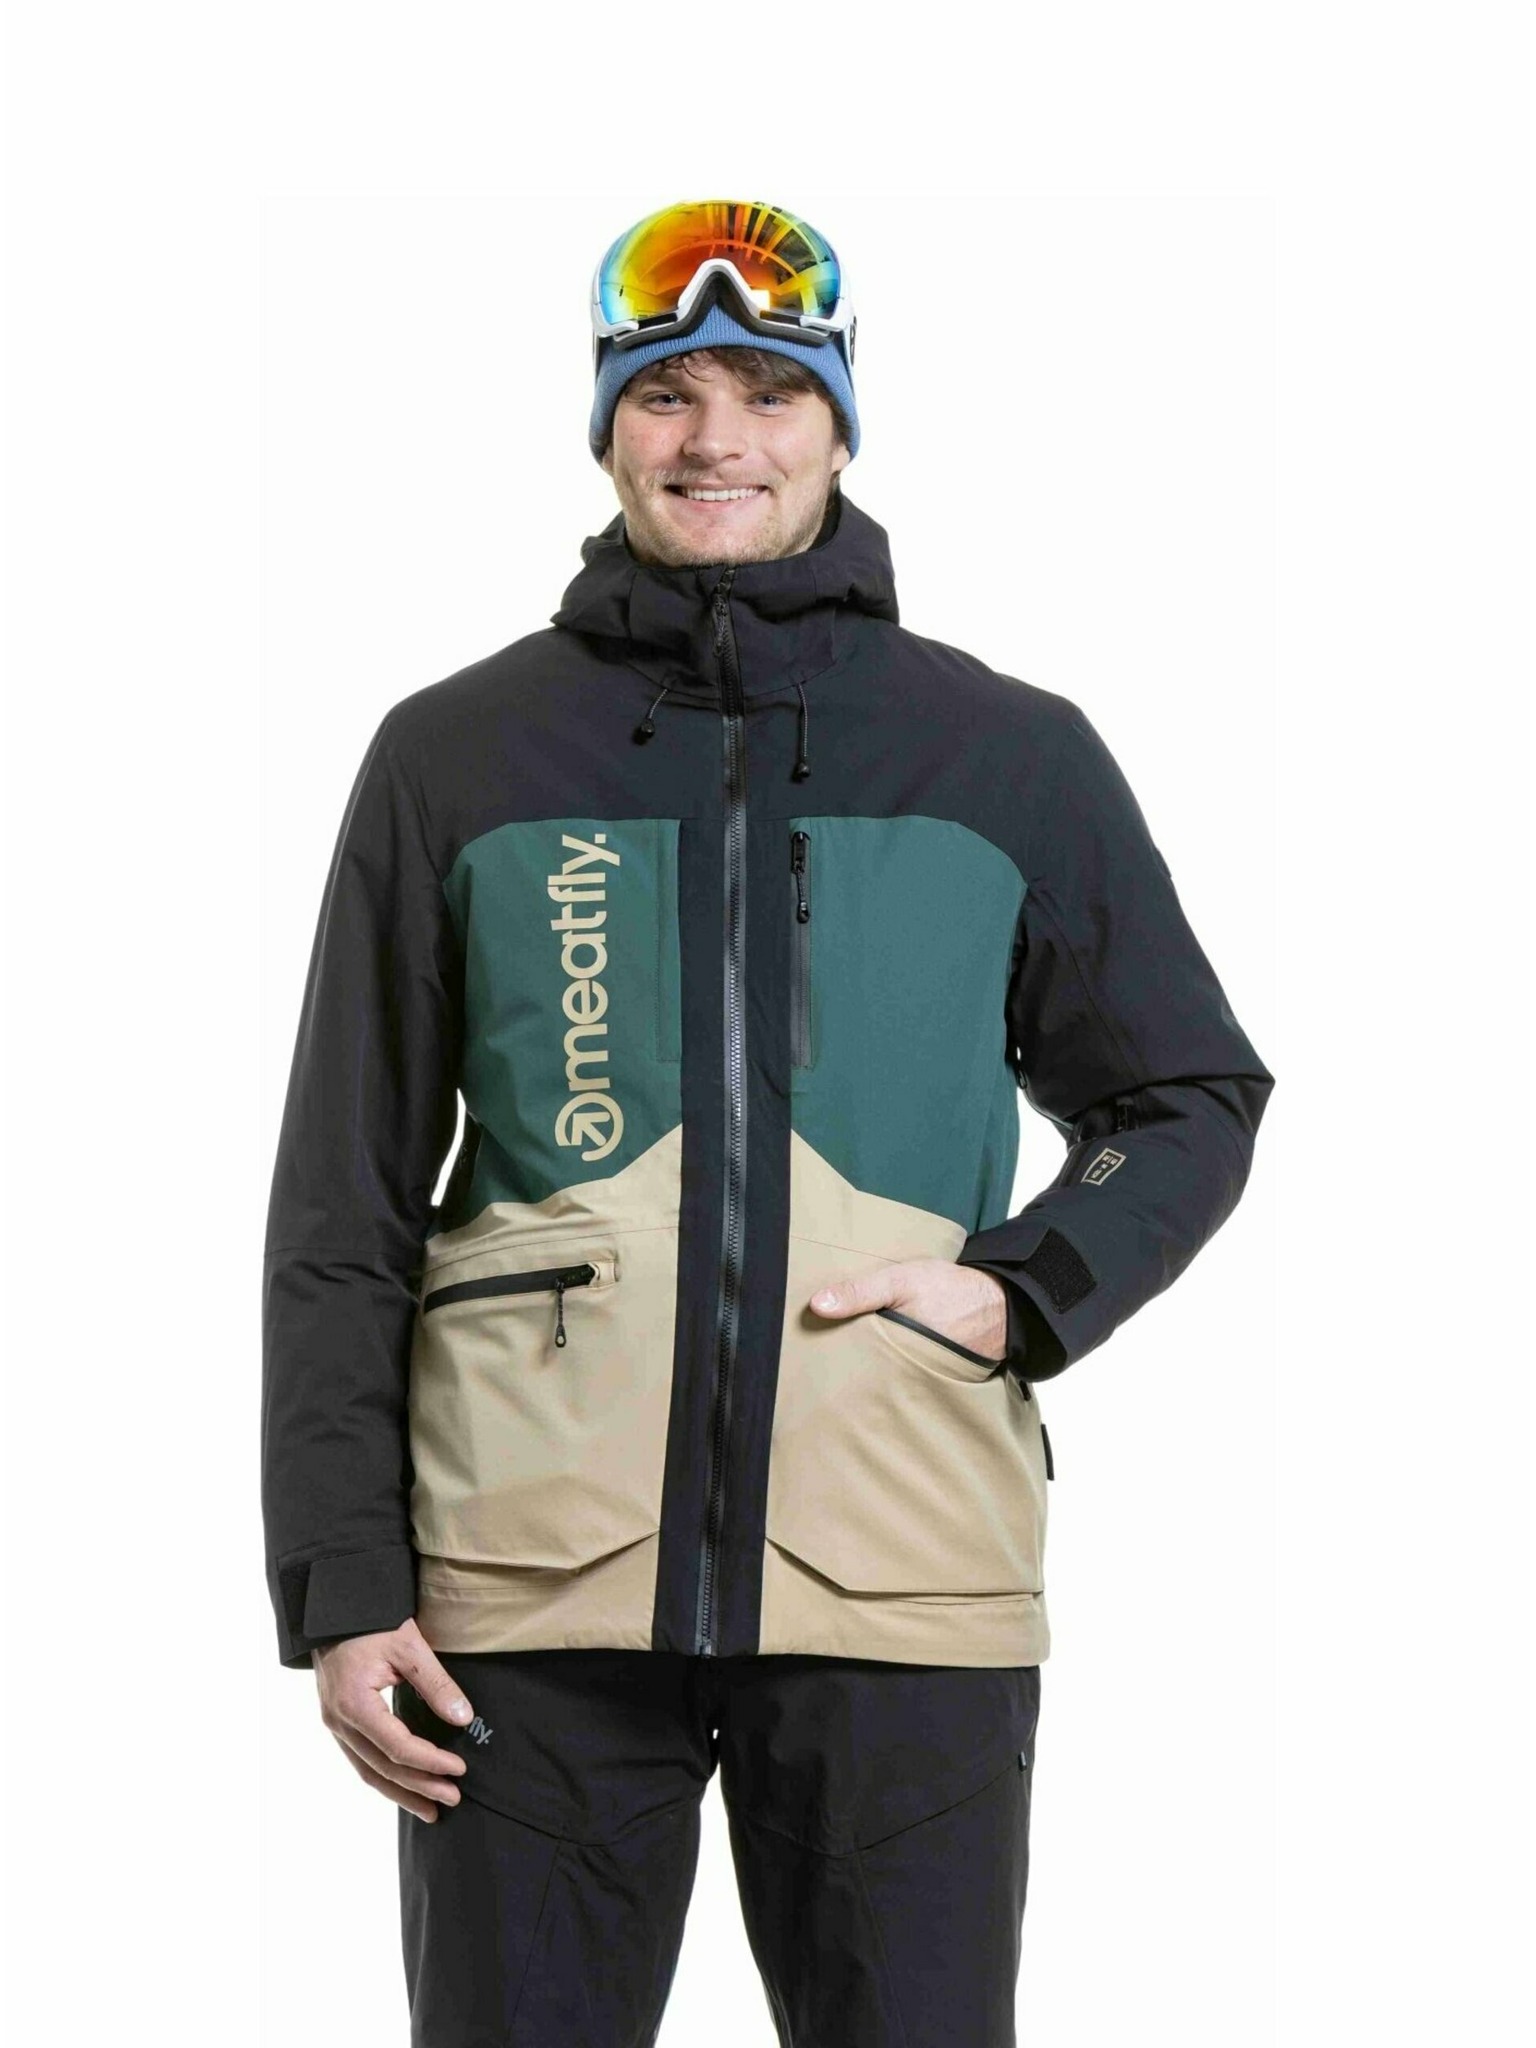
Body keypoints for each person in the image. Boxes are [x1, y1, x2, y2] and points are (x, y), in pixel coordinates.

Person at [261, 197, 1275, 2045]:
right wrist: (343, 1580)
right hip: (526, 1600)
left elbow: (1187, 1094)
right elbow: (344, 1201)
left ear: (839, 425)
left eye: (768, 393)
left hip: (904, 1574)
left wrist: (1026, 1289)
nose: (715, 439)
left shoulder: (1009, 755)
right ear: (606, 427)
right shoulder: (456, 756)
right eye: (666, 395)